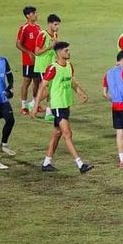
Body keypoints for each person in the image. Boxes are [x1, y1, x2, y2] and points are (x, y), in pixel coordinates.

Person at [31, 41, 93, 174]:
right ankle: (80, 164)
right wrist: (36, 106)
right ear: (59, 53)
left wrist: (81, 92)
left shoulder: (69, 66)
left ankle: (46, 163)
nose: (69, 52)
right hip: (57, 105)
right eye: (66, 50)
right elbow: (42, 86)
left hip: (65, 104)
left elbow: (71, 81)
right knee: (67, 134)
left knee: (57, 133)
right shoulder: (53, 68)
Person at [33, 13, 61, 121]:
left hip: (51, 66)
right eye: (55, 24)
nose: (57, 27)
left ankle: (49, 112)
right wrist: (50, 47)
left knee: (52, 89)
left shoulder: (55, 35)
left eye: (58, 25)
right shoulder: (42, 35)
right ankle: (34, 103)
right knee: (48, 89)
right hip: (42, 66)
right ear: (49, 24)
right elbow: (37, 52)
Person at [15, 5, 41, 115]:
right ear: (28, 15)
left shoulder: (38, 27)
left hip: (38, 60)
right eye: (34, 13)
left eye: (35, 13)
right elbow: (18, 44)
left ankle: (35, 103)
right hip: (27, 61)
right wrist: (29, 52)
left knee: (37, 82)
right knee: (27, 81)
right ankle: (23, 106)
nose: (36, 15)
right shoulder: (24, 28)